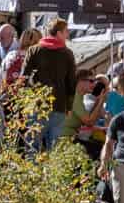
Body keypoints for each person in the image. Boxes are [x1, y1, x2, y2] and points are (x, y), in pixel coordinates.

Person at [23, 18, 80, 149]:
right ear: (59, 33)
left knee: (32, 147)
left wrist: (25, 102)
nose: (68, 35)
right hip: (59, 106)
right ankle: (51, 170)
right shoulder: (67, 54)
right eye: (66, 31)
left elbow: (24, 78)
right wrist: (70, 107)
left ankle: (32, 170)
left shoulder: (34, 50)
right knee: (54, 149)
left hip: (37, 105)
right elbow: (71, 84)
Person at [70, 75, 110, 162]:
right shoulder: (91, 103)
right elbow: (84, 126)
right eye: (107, 88)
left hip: (83, 140)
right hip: (82, 142)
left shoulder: (88, 99)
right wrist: (102, 129)